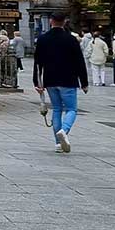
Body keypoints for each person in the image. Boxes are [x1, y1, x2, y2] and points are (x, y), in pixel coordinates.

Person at [33, 13, 88, 153]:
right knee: (71, 109)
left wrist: (37, 81)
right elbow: (79, 62)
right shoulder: (71, 40)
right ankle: (64, 130)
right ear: (64, 22)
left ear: (51, 21)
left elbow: (38, 63)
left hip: (50, 79)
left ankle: (58, 144)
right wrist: (84, 82)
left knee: (57, 109)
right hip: (68, 79)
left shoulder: (43, 39)